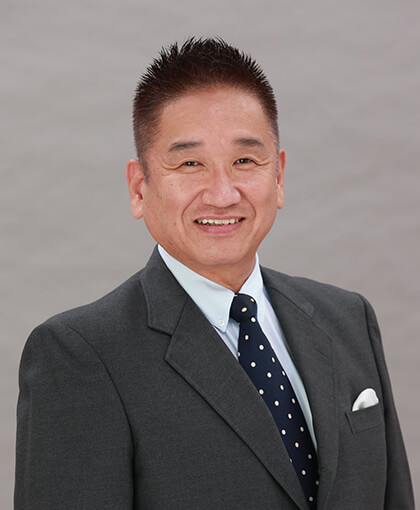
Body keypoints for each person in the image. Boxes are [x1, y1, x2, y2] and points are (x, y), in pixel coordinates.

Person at [15, 37, 414, 509]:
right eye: (190, 163)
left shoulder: (348, 320)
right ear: (139, 188)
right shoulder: (80, 356)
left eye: (244, 160)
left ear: (278, 176)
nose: (223, 194)